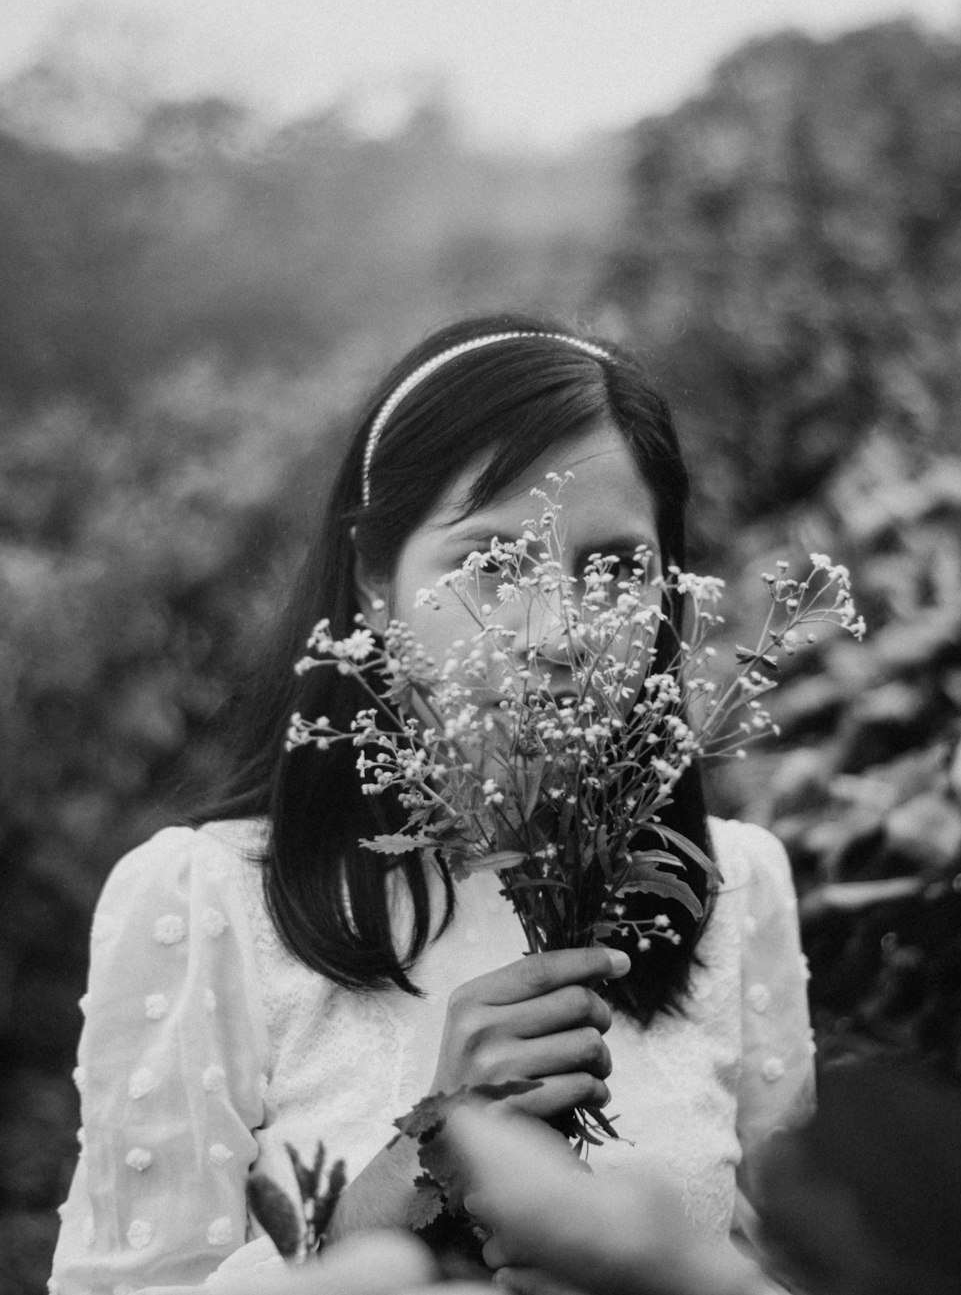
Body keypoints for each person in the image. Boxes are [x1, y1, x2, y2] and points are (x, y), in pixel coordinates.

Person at [51, 313, 814, 1295]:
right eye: (492, 562)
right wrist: (434, 1148)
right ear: (375, 580)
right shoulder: (207, 903)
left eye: (614, 569)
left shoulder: (734, 885)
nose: (558, 632)